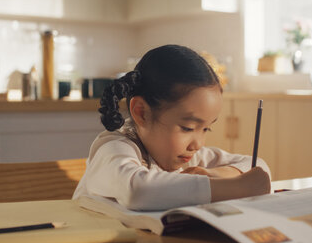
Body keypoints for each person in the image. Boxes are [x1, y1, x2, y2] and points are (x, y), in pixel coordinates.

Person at [73, 45, 271, 211]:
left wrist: (217, 174)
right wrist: (233, 188)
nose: (198, 144)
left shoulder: (189, 158)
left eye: (206, 129)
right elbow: (138, 191)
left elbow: (259, 166)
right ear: (141, 112)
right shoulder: (113, 149)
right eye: (187, 128)